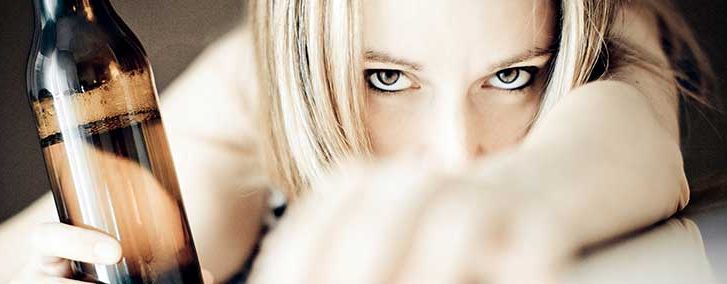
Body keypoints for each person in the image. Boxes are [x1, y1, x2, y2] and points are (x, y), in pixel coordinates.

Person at [0, 0, 716, 283]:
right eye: (386, 78)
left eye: (510, 77)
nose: (455, 152)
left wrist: (504, 203)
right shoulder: (256, 85)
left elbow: (635, 132)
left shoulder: (607, 29)